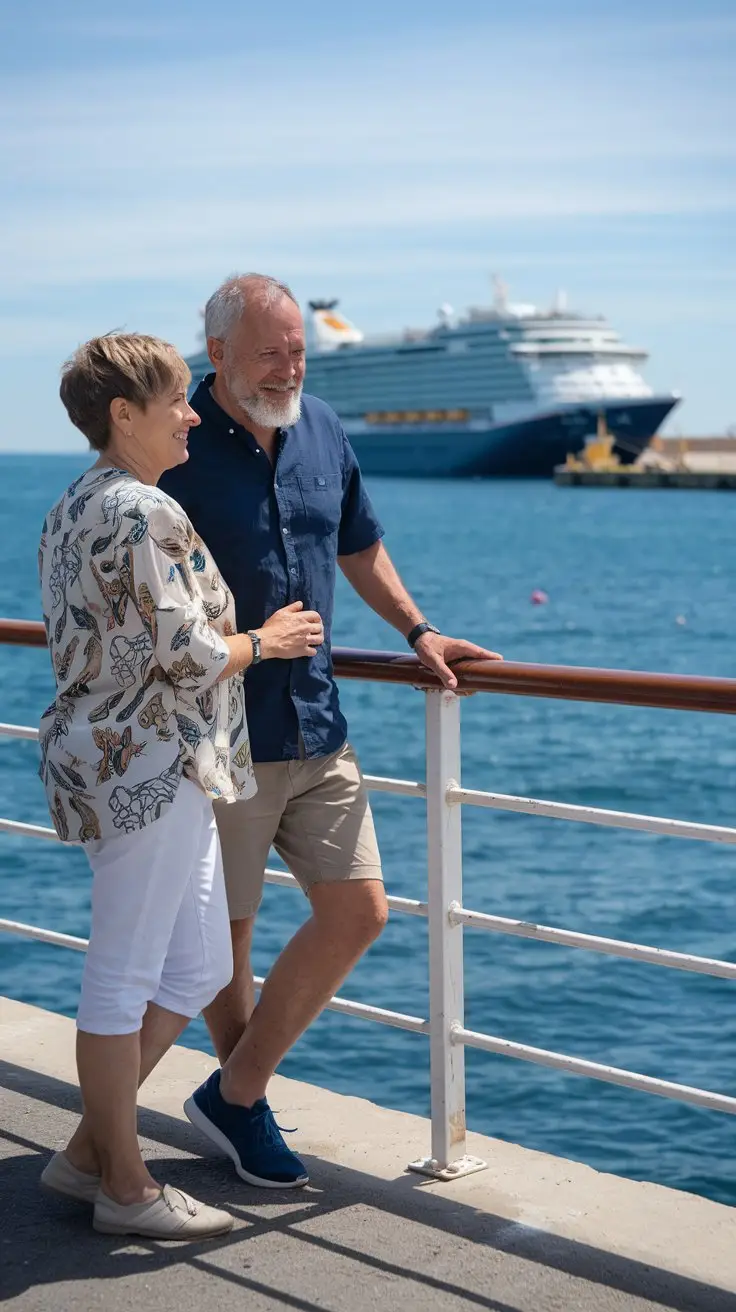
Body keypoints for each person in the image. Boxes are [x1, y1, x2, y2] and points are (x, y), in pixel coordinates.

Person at [160, 273, 502, 1191]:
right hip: (220, 735)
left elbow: (358, 544)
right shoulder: (173, 444)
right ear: (219, 352)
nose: (289, 366)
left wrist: (417, 630)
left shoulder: (322, 427)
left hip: (317, 721)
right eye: (270, 350)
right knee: (225, 946)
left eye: (299, 349)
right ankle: (247, 1108)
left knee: (360, 911)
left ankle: (232, 1096)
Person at [37, 332, 324, 1238]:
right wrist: (266, 644)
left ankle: (89, 1153)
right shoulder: (145, 513)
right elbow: (188, 655)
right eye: (175, 401)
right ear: (124, 415)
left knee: (196, 965)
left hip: (132, 763)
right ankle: (125, 1188)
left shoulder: (73, 502)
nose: (193, 412)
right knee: (123, 976)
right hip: (149, 770)